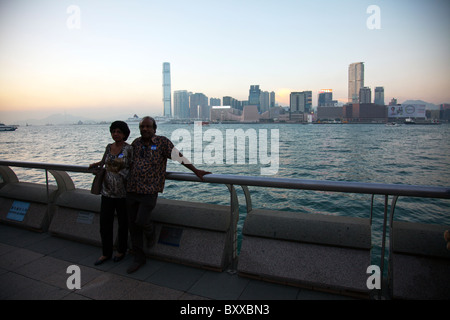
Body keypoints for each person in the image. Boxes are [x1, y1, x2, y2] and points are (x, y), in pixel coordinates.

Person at [126, 116, 211, 274]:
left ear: (154, 129)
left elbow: (179, 157)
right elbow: (127, 162)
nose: (144, 129)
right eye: (142, 127)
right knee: (133, 225)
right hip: (132, 189)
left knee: (141, 220)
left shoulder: (162, 143)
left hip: (149, 190)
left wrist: (196, 170)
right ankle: (138, 258)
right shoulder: (136, 143)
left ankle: (150, 233)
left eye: (148, 127)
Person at [89, 121, 133, 266]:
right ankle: (105, 253)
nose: (116, 134)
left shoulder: (129, 149)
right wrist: (95, 165)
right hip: (107, 192)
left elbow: (133, 167)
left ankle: (121, 250)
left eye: (119, 132)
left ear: (125, 134)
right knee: (104, 224)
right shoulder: (109, 147)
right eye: (114, 131)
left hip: (123, 193)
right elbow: (104, 163)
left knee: (123, 223)